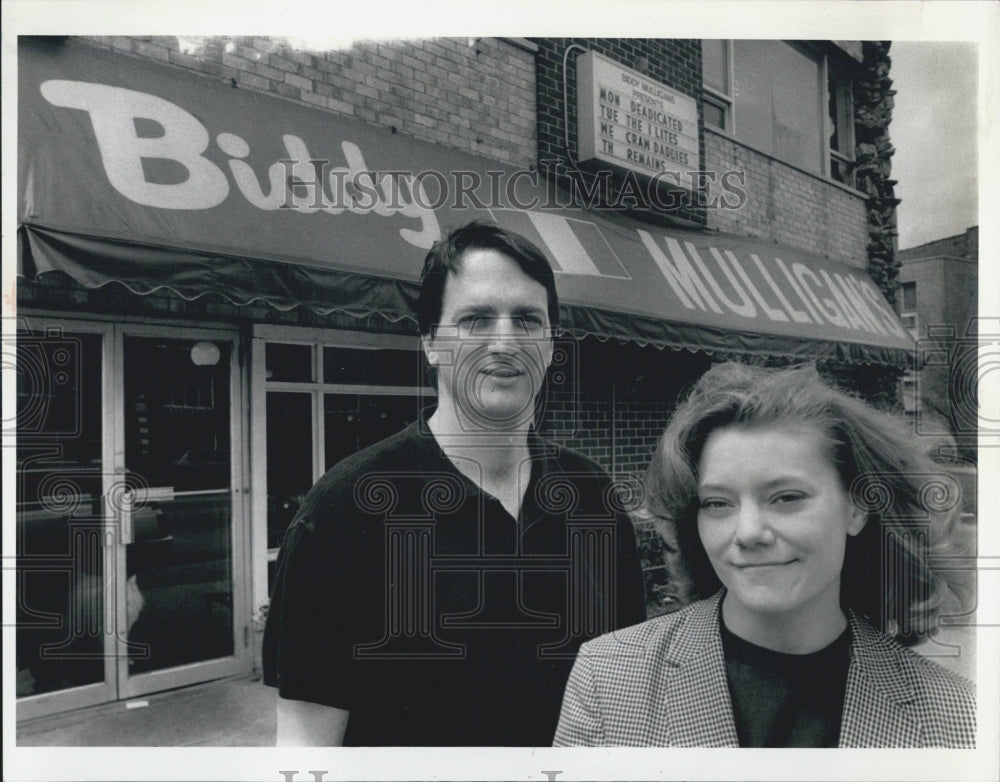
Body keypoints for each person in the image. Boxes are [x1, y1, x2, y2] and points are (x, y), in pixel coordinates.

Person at [263, 220, 647, 746]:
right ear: (430, 344)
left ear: (552, 344)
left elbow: (625, 697)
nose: (505, 341)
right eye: (476, 319)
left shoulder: (593, 499)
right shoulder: (343, 511)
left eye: (528, 319)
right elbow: (307, 745)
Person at [554, 362, 975, 748]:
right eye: (718, 503)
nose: (749, 532)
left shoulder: (956, 717)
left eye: (786, 497)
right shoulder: (608, 677)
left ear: (857, 506)